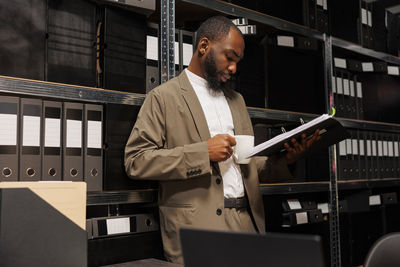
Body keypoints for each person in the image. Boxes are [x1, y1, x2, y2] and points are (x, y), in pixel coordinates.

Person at [124, 16, 320, 264]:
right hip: (197, 226)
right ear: (204, 46)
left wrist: (288, 159)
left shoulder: (236, 101)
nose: (234, 68)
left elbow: (246, 165)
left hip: (246, 222)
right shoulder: (163, 97)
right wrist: (203, 153)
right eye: (229, 57)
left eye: (238, 61)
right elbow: (136, 161)